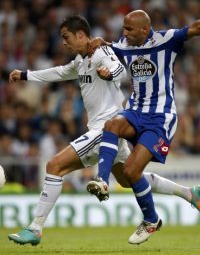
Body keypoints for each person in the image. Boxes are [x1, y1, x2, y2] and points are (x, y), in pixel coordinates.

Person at [7, 14, 200, 247]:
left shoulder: (103, 53)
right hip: (121, 123)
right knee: (130, 177)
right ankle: (188, 194)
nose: (64, 43)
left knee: (54, 166)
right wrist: (26, 74)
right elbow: (59, 72)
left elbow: (118, 68)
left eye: (66, 37)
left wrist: (110, 73)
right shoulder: (83, 59)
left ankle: (35, 227)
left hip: (107, 127)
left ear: (80, 34)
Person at [86, 10, 200, 245]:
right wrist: (100, 43)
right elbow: (110, 50)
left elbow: (195, 28)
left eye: (129, 29)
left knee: (130, 172)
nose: (124, 33)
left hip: (160, 117)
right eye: (123, 28)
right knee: (111, 125)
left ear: (145, 29)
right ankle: (102, 180)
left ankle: (151, 220)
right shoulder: (123, 45)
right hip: (135, 111)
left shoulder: (168, 39)